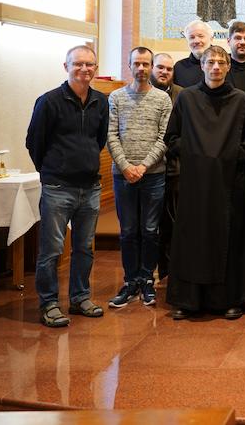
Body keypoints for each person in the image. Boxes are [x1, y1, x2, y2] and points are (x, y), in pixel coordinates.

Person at [165, 45, 245, 320]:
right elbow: (172, 138)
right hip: (194, 184)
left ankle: (228, 300)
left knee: (227, 240)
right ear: (202, 66)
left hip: (229, 184)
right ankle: (187, 300)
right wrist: (196, 156)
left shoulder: (241, 100)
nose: (216, 67)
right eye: (211, 62)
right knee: (192, 240)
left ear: (228, 67)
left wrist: (231, 157)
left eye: (221, 62)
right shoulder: (187, 99)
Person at [26, 45, 109, 327]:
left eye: (90, 65)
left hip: (90, 188)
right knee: (51, 249)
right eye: (78, 64)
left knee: (84, 247)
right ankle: (49, 303)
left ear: (95, 69)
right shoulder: (49, 102)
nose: (84, 70)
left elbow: (99, 140)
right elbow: (34, 142)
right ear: (66, 67)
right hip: (58, 187)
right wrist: (51, 170)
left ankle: (79, 297)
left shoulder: (101, 101)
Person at [106, 47, 172, 309]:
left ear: (151, 66)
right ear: (130, 65)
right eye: (137, 64)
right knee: (128, 231)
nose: (142, 69)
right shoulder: (116, 97)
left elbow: (164, 137)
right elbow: (110, 135)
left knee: (150, 230)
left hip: (153, 175)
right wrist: (125, 166)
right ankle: (130, 280)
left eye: (146, 64)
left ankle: (147, 279)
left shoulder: (162, 100)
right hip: (123, 176)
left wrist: (143, 166)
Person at [151, 53, 182, 281]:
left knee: (171, 222)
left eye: (169, 69)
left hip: (174, 169)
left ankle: (168, 271)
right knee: (148, 225)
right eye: (160, 67)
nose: (164, 72)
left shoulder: (183, 95)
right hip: (147, 170)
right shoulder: (145, 93)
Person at [174, 20, 213, 88]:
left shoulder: (224, 63)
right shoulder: (179, 67)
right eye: (191, 37)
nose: (196, 41)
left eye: (201, 36)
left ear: (211, 38)